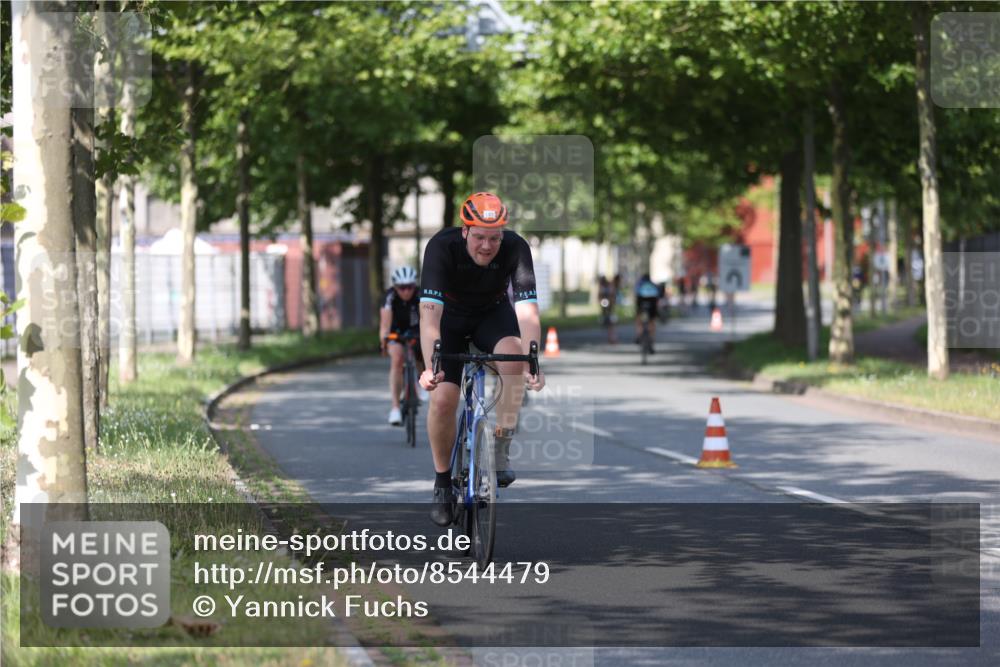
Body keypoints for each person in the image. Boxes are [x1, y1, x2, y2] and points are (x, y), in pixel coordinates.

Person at [418, 192, 545, 526]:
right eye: (479, 237)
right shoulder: (441, 247)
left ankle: (500, 448)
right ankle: (443, 481)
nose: (487, 246)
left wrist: (533, 361)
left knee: (514, 359)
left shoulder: (516, 248)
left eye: (494, 238)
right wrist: (431, 366)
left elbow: (527, 312)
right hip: (449, 319)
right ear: (464, 231)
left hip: (492, 315)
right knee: (444, 399)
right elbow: (429, 316)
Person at [379, 266, 425, 426]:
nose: (406, 291)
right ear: (395, 287)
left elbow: (427, 320)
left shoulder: (420, 295)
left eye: (410, 287)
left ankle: (421, 381)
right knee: (397, 360)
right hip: (395, 332)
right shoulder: (389, 296)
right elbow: (384, 326)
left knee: (421, 352)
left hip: (415, 329)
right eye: (402, 288)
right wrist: (384, 343)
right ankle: (395, 408)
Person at [634, 273, 662, 352]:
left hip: (642, 304)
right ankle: (651, 340)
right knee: (652, 321)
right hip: (652, 304)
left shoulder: (639, 284)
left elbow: (636, 295)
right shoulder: (653, 285)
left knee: (639, 319)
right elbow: (658, 296)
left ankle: (638, 335)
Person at [598, 275, 618, 343]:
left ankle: (612, 338)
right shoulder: (601, 287)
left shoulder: (610, 286)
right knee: (608, 319)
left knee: (611, 322)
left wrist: (612, 300)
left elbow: (613, 294)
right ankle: (604, 321)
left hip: (610, 305)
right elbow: (599, 296)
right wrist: (600, 300)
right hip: (604, 305)